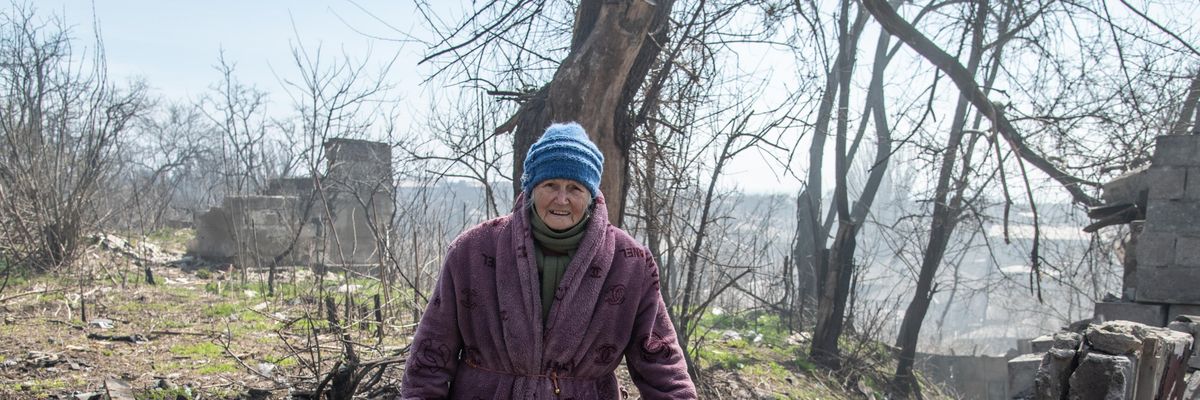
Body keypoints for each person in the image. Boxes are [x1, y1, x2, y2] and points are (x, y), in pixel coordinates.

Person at [399, 122, 697, 399]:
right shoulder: (472, 251)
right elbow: (431, 355)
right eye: (550, 185)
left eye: (575, 188)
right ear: (531, 189)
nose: (562, 199)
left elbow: (661, 362)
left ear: (592, 195)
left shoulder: (629, 262)